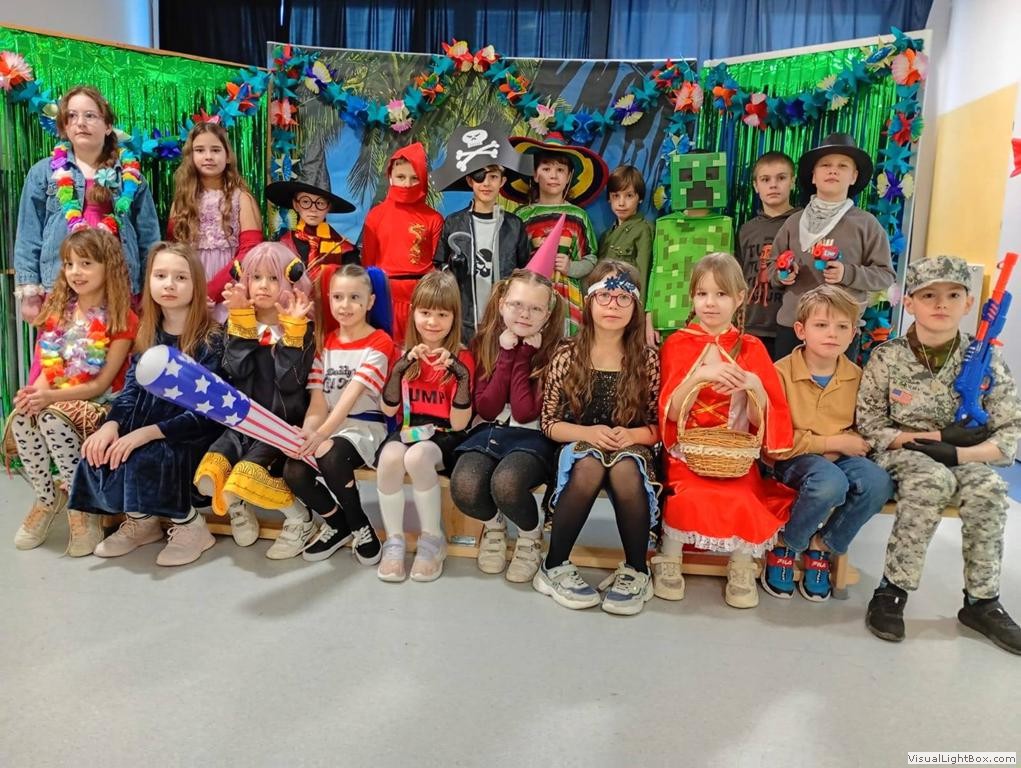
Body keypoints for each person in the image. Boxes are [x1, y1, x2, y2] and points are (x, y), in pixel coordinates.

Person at [858, 255, 1021, 654]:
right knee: (931, 481)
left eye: (953, 295)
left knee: (990, 490)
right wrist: (933, 438)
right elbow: (869, 425)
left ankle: (982, 602)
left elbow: (1010, 430)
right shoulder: (887, 356)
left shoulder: (986, 360)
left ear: (969, 304)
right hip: (903, 450)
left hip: (964, 454)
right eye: (928, 295)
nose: (941, 304)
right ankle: (892, 591)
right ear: (909, 303)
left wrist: (961, 454)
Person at [71, 242, 225, 567]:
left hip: (187, 434)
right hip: (144, 424)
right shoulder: (146, 333)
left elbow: (206, 415)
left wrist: (145, 434)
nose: (169, 284)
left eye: (180, 277)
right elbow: (130, 390)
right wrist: (111, 425)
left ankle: (191, 526)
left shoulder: (211, 339)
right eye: (161, 275)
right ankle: (143, 521)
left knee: (149, 455)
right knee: (98, 452)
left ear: (196, 284)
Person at [656, 252, 795, 609]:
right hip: (686, 452)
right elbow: (670, 413)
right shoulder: (676, 344)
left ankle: (742, 565)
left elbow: (760, 418)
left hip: (736, 455)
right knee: (687, 493)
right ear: (692, 297)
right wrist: (699, 377)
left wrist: (755, 385)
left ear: (740, 298)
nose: (710, 303)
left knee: (745, 496)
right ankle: (669, 558)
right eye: (702, 294)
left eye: (721, 294)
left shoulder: (752, 348)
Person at [534, 260, 661, 616]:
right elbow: (549, 423)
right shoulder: (567, 354)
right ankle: (554, 565)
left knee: (625, 468)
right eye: (604, 295)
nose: (613, 305)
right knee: (589, 463)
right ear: (589, 301)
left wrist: (632, 435)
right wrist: (587, 433)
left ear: (636, 306)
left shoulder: (648, 360)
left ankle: (636, 570)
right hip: (579, 444)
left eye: (623, 298)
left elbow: (658, 426)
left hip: (630, 447)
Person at [8, 229, 138, 555]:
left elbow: (100, 384)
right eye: (69, 264)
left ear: (108, 266)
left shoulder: (122, 318)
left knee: (51, 418)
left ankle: (82, 505)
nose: (75, 272)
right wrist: (32, 396)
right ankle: (47, 498)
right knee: (23, 417)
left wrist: (49, 399)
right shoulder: (60, 314)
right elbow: (48, 373)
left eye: (86, 263)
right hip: (61, 399)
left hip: (103, 406)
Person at [765, 285, 893, 601]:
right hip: (793, 459)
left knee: (878, 483)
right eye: (821, 325)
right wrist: (831, 442)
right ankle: (787, 543)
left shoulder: (858, 376)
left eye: (842, 327)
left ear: (853, 334)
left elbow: (864, 431)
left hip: (841, 454)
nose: (832, 334)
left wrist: (848, 443)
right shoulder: (778, 374)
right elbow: (775, 443)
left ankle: (823, 545)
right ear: (801, 330)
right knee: (830, 483)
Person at [192, 242, 319, 559]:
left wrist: (293, 330)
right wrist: (240, 318)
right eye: (256, 277)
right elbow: (236, 370)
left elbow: (289, 382)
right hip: (242, 421)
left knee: (246, 475)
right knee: (208, 477)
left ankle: (299, 518)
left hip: (279, 424)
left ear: (291, 280)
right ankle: (237, 506)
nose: (263, 285)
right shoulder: (237, 322)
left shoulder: (301, 328)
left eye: (274, 278)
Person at [449, 267, 564, 582]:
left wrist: (523, 355)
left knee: (507, 483)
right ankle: (495, 527)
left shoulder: (556, 352)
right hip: (489, 431)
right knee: (465, 485)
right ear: (502, 305)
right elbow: (488, 407)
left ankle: (529, 536)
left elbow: (525, 412)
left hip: (533, 438)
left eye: (535, 309)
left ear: (547, 315)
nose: (524, 314)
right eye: (516, 304)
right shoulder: (485, 342)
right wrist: (505, 354)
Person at [14, 85, 160, 321]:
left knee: (119, 345)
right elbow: (28, 234)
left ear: (108, 126)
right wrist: (29, 292)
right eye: (72, 116)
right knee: (62, 346)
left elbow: (149, 239)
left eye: (90, 115)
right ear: (64, 126)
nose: (80, 123)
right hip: (61, 287)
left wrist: (149, 291)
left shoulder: (130, 177)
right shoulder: (43, 173)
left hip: (120, 288)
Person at [283, 264, 396, 563]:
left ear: (370, 302)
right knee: (293, 468)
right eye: (338, 297)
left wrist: (321, 435)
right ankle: (337, 524)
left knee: (330, 455)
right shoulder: (326, 343)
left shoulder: (380, 342)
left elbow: (351, 396)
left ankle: (360, 525)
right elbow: (318, 402)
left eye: (355, 298)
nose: (345, 305)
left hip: (364, 428)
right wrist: (308, 433)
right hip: (331, 426)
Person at [376, 271, 473, 583]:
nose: (432, 322)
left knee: (417, 457)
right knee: (390, 458)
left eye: (442, 314)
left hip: (445, 435)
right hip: (410, 427)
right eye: (426, 312)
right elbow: (388, 409)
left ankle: (432, 539)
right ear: (413, 312)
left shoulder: (462, 357)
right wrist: (400, 368)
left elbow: (460, 423)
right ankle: (394, 541)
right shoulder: (403, 354)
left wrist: (460, 375)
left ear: (454, 317)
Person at [771, 133, 895, 360]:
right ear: (813, 176)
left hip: (838, 331)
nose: (833, 171)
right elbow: (772, 266)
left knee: (836, 383)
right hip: (793, 326)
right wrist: (781, 275)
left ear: (854, 176)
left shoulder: (866, 224)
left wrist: (847, 273)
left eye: (842, 166)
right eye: (825, 165)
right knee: (785, 382)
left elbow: (885, 275)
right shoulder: (793, 222)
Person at [433, 124, 532, 342]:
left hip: (504, 321)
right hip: (463, 319)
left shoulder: (514, 225)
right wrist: (452, 269)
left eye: (493, 176)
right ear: (470, 180)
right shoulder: (454, 223)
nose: (486, 183)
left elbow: (526, 271)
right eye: (479, 176)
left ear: (502, 181)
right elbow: (438, 267)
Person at [503, 132, 607, 334]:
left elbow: (591, 257)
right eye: (546, 168)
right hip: (530, 295)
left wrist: (571, 267)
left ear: (569, 177)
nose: (553, 175)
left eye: (560, 170)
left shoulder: (578, 216)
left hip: (567, 296)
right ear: (535, 174)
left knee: (565, 343)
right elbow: (511, 259)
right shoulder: (523, 216)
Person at [167, 121, 263, 318]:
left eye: (216, 150)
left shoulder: (241, 199)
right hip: (189, 288)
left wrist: (211, 293)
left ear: (227, 156)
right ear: (191, 156)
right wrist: (190, 294)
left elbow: (249, 252)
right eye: (200, 150)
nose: (208, 156)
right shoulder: (181, 201)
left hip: (230, 288)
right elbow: (172, 251)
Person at [361, 142, 444, 345]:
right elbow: (368, 264)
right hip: (384, 295)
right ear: (390, 177)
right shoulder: (375, 216)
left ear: (423, 179)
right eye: (401, 177)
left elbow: (438, 266)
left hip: (421, 298)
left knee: (419, 350)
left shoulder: (434, 219)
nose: (407, 184)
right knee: (385, 349)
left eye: (414, 178)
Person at [265, 136, 359, 286]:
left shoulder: (345, 250)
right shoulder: (281, 245)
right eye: (306, 202)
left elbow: (354, 286)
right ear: (295, 205)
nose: (313, 209)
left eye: (320, 203)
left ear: (329, 207)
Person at [736, 151, 799, 359]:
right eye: (765, 179)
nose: (773, 185)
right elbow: (739, 276)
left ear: (792, 182)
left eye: (781, 178)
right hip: (751, 325)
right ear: (756, 186)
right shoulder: (746, 230)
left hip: (792, 325)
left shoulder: (802, 223)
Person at [598, 165, 657, 346]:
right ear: (609, 198)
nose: (621, 203)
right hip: (606, 306)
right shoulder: (606, 235)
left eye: (629, 196)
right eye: (616, 196)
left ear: (640, 198)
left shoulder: (643, 229)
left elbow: (644, 273)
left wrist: (643, 315)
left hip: (629, 306)